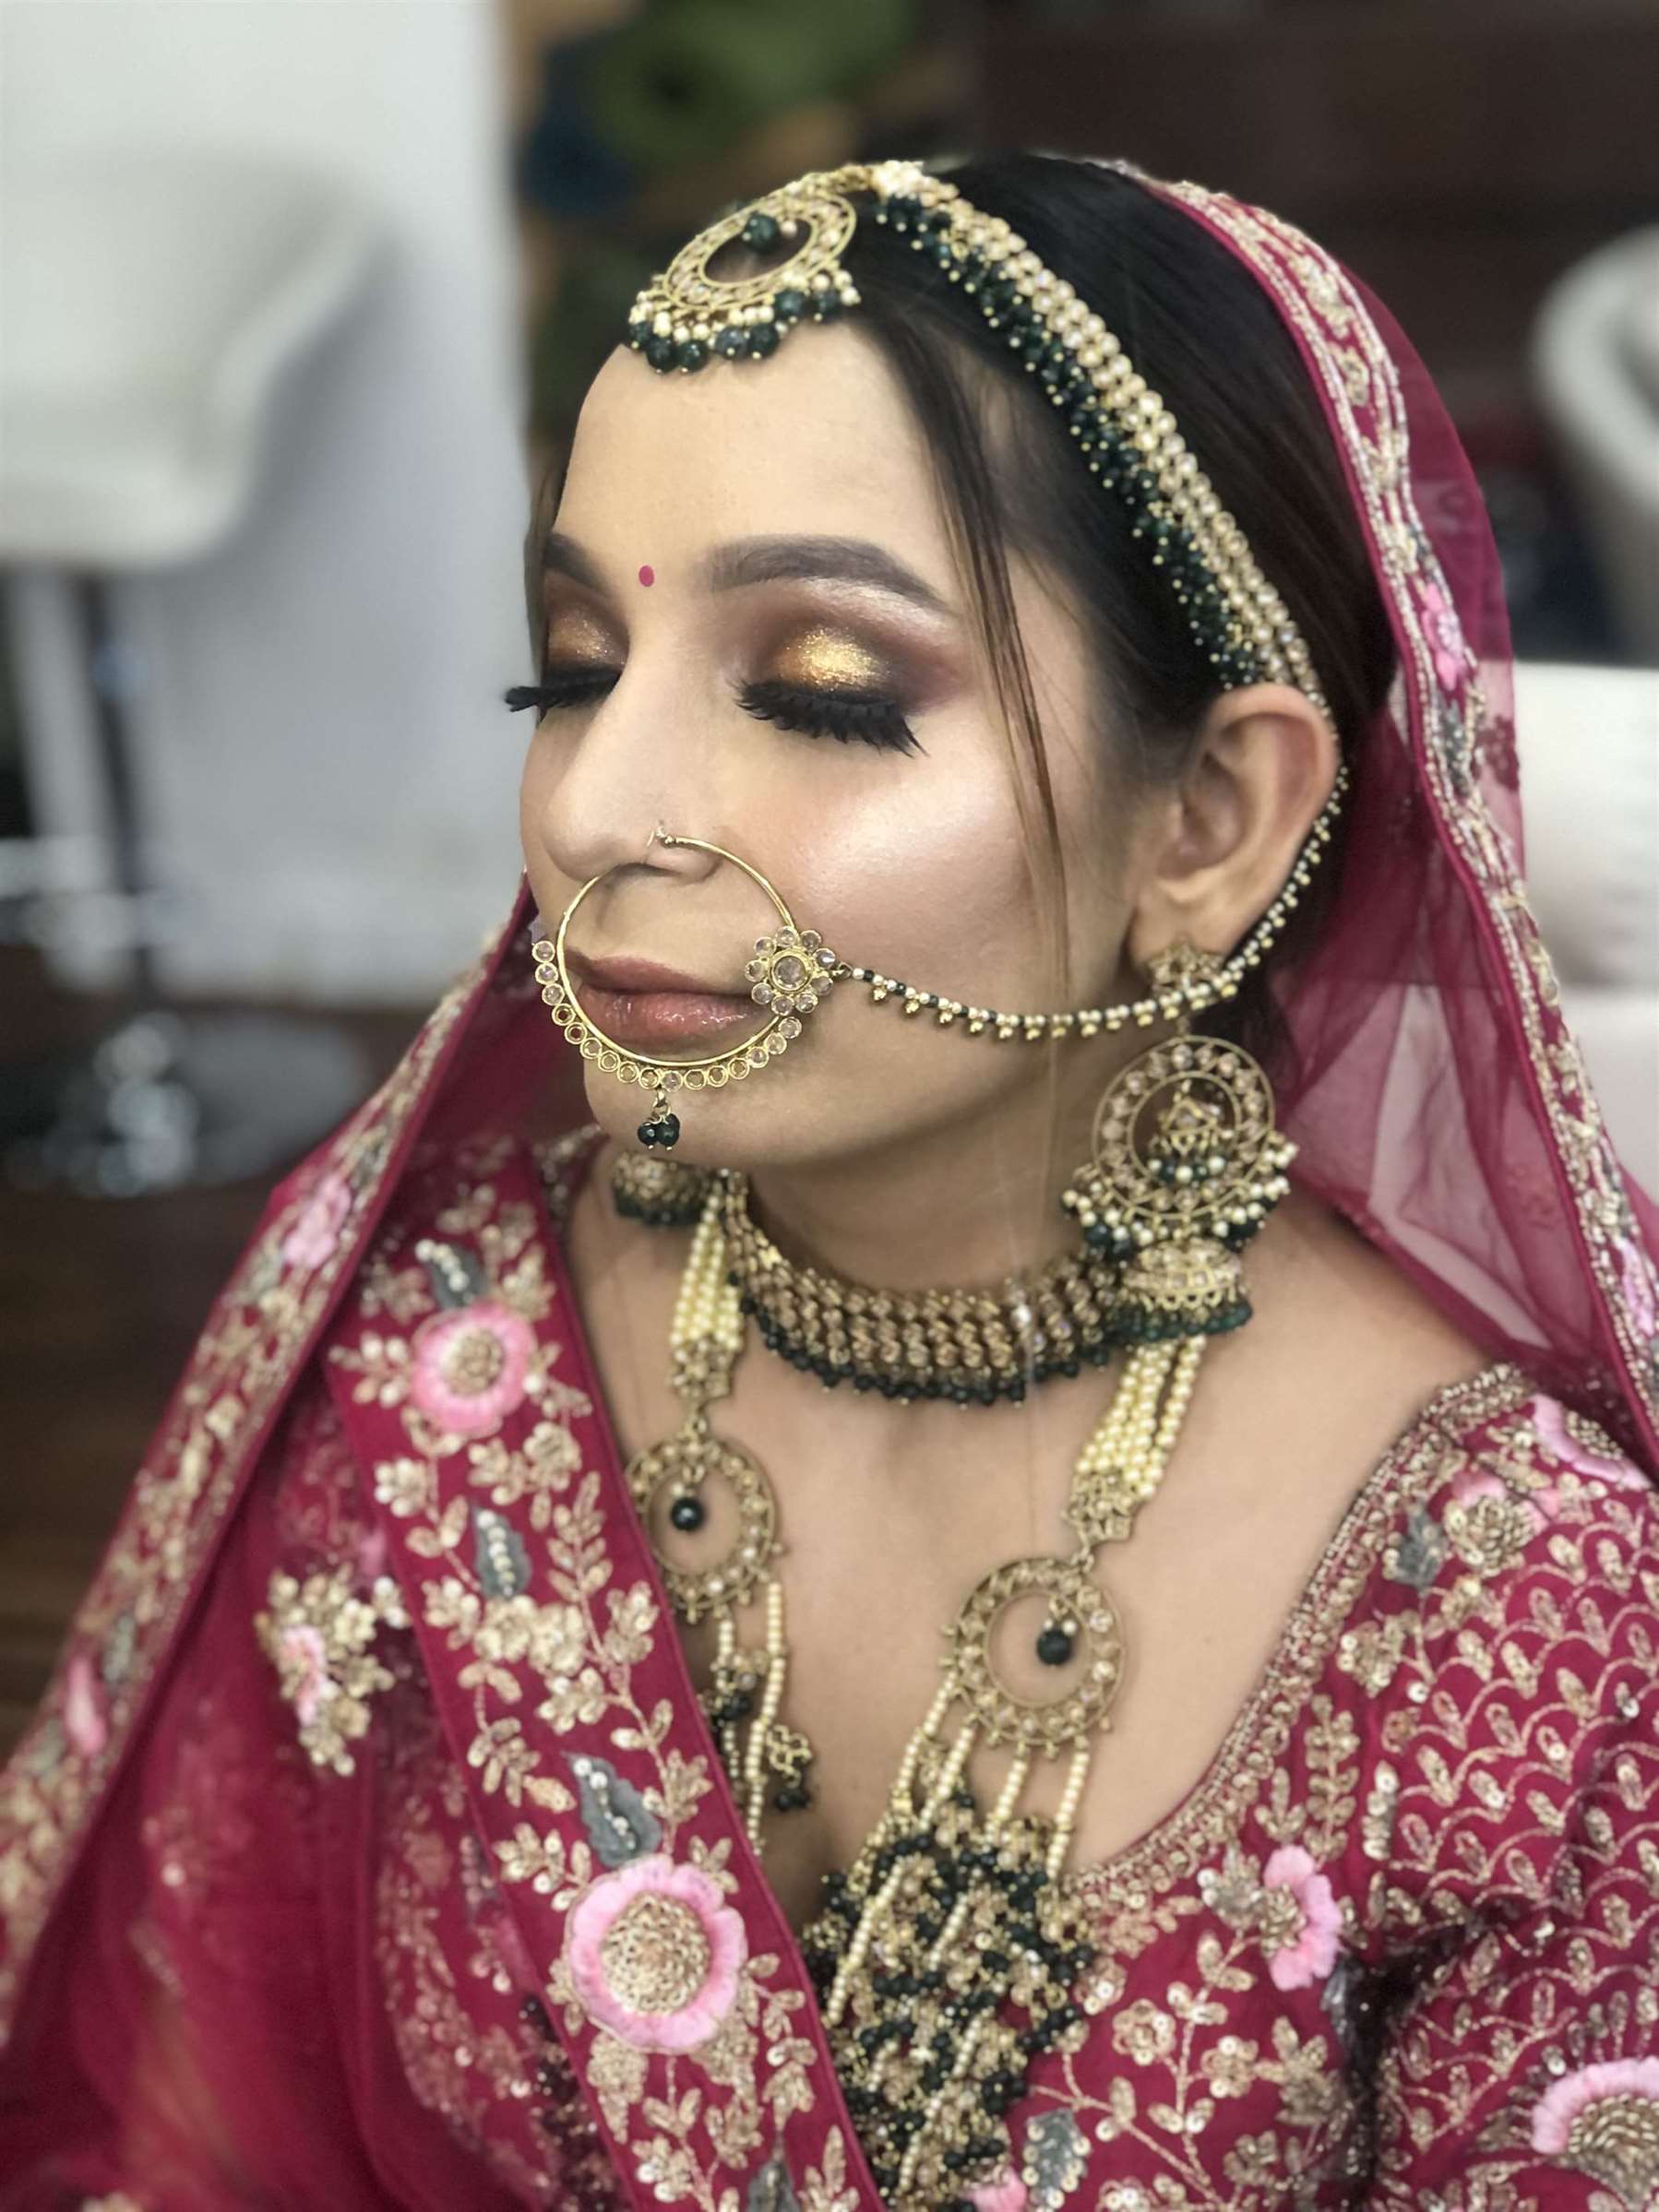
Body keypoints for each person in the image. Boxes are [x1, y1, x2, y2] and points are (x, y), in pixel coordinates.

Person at [2, 150, 1656, 2212]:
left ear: (1209, 822)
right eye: (570, 667)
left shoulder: (1523, 1624)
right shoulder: (442, 1344)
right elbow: (197, 2126)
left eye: (819, 694)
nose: (594, 805)